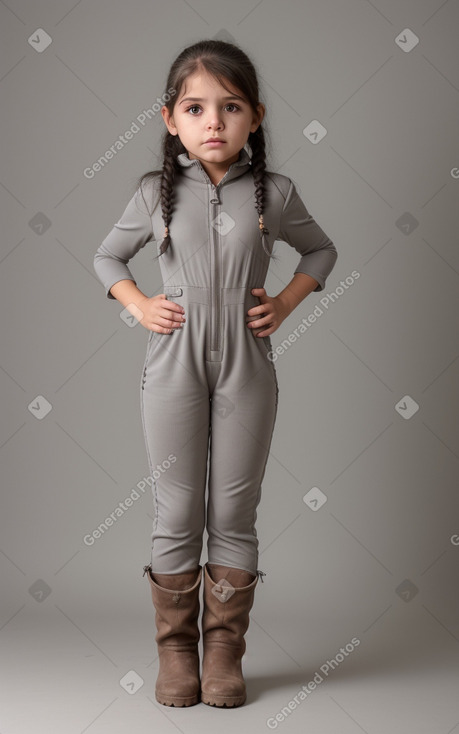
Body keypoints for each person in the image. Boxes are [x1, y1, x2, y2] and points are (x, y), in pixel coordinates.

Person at [93, 38, 338, 709]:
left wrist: (285, 302)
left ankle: (224, 651)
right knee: (176, 511)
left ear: (254, 116)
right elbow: (108, 259)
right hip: (173, 364)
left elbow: (320, 249)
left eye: (229, 107)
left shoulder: (275, 193)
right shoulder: (153, 194)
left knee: (233, 510)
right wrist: (140, 303)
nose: (213, 122)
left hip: (246, 366)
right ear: (169, 118)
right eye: (195, 108)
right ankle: (176, 653)